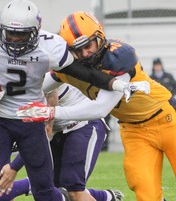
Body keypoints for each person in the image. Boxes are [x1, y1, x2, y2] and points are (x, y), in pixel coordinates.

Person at [0, 0, 149, 201]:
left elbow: (86, 75)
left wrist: (119, 84)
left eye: (22, 34)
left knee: (48, 190)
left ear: (35, 32)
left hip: (35, 122)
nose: (15, 39)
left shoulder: (49, 52)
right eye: (10, 33)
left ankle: (103, 196)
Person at [17, 11, 175, 201]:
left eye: (88, 46)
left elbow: (101, 108)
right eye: (77, 50)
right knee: (145, 190)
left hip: (165, 119)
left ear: (99, 37)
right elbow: (36, 89)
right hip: (134, 131)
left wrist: (51, 112)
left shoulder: (118, 57)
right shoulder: (67, 69)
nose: (85, 54)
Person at [0, 83, 124, 201]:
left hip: (82, 125)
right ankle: (106, 196)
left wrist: (14, 167)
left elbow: (42, 134)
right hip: (57, 132)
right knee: (50, 190)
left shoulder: (40, 75)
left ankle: (104, 196)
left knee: (73, 189)